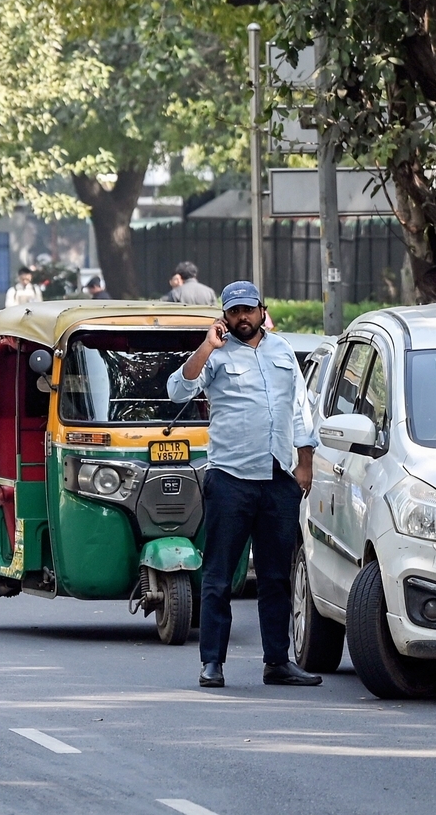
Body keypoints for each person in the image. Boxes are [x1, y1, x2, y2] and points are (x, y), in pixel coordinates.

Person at [167, 280, 321, 689]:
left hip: (278, 478)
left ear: (261, 310)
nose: (241, 319)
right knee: (219, 575)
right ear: (224, 316)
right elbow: (177, 389)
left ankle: (277, 662)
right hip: (231, 478)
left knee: (275, 577)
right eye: (233, 312)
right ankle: (212, 663)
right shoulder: (216, 355)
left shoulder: (282, 351)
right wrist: (206, 347)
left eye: (247, 311)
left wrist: (304, 462)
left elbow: (301, 410)